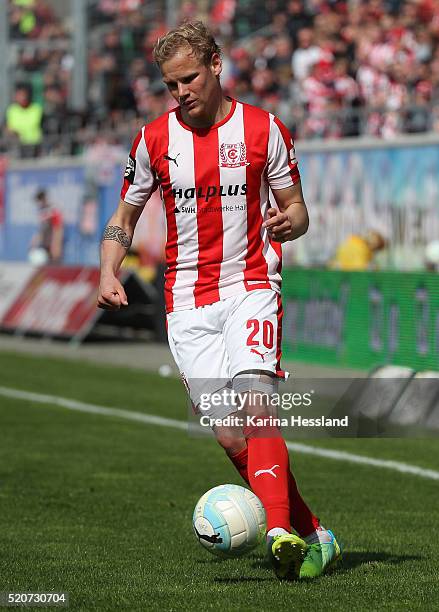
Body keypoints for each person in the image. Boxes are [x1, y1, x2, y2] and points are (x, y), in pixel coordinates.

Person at [97, 21, 341, 580]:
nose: (181, 93)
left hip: (251, 285)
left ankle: (277, 530)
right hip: (187, 302)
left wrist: (291, 222)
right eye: (170, 85)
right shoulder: (154, 140)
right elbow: (124, 217)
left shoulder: (264, 129)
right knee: (233, 435)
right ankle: (310, 531)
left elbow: (297, 208)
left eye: (188, 79)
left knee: (258, 401)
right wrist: (108, 269)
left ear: (214, 64)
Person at [29, 189, 64, 263]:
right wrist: (34, 241)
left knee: (54, 268)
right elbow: (41, 229)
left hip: (52, 248)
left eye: (39, 201)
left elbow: (58, 229)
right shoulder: (42, 211)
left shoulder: (53, 211)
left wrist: (55, 246)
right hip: (44, 246)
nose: (38, 204)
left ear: (44, 199)